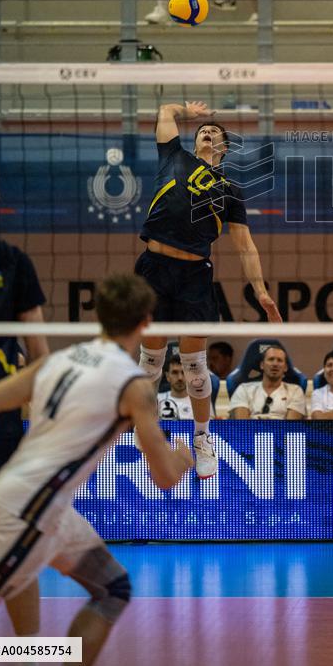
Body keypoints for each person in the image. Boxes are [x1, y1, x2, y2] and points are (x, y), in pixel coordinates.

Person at [0, 273, 193, 666]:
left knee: (112, 588)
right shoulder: (134, 387)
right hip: (30, 514)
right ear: (147, 322)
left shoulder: (61, 359)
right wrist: (183, 456)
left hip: (46, 508)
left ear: (99, 316)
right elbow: (164, 477)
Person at [134, 101, 281, 477]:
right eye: (203, 131)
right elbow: (164, 110)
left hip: (194, 274)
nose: (208, 133)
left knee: (194, 366)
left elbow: (245, 245)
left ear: (225, 148)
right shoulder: (173, 156)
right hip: (153, 268)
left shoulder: (230, 189)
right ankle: (145, 427)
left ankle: (202, 437)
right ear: (194, 139)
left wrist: (261, 291)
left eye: (216, 132)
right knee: (150, 361)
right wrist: (185, 109)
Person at [0, 157, 49, 666]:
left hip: (0, 426)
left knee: (16, 540)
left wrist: (40, 423)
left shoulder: (14, 262)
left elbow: (41, 355)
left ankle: (27, 660)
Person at [229, 343, 306, 419]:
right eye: (271, 359)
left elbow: (291, 428)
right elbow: (242, 427)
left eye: (279, 360)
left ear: (285, 367)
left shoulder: (295, 391)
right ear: (262, 365)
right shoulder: (243, 389)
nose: (275, 364)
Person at [157, 351, 193, 419]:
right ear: (167, 376)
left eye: (183, 372)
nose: (180, 378)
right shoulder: (157, 400)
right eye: (175, 372)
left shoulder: (200, 401)